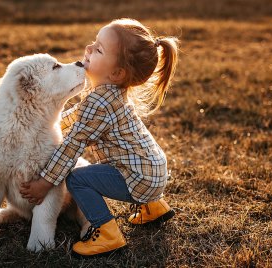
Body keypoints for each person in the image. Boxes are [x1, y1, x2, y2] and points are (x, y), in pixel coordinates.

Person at [20, 18, 179, 257]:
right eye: (94, 43)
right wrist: (47, 125)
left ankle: (105, 231)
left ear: (116, 73)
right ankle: (152, 206)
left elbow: (71, 147)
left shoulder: (99, 102)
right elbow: (76, 116)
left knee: (76, 179)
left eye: (99, 49)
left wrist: (46, 182)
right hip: (154, 170)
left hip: (140, 178)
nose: (89, 49)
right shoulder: (109, 94)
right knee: (119, 165)